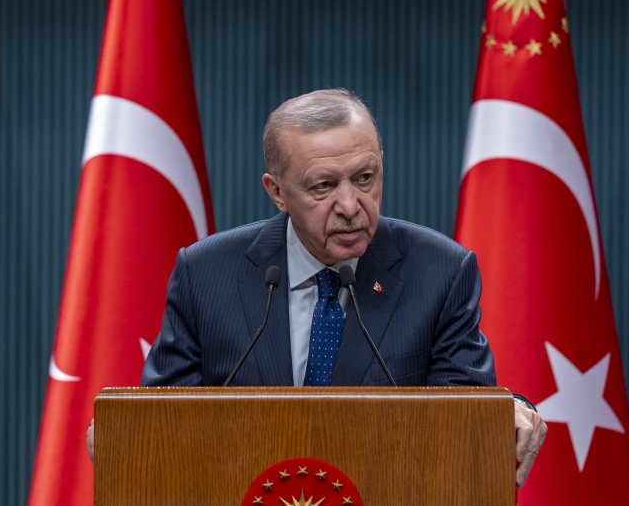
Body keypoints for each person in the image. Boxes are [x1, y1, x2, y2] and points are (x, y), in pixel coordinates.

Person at [93, 88, 546, 485]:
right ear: (277, 191)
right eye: (324, 186)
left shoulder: (441, 272)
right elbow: (163, 417)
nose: (351, 205)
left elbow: (465, 414)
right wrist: (128, 429)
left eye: (364, 178)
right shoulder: (207, 274)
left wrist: (509, 409)